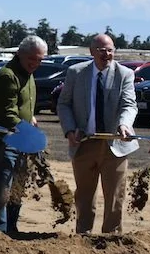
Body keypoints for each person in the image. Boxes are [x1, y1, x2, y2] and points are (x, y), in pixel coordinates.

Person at [57, 34, 138, 234]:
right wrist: (69, 130)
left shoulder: (125, 74)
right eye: (102, 50)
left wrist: (124, 125)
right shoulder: (76, 73)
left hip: (115, 144)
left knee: (115, 197)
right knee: (84, 196)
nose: (106, 54)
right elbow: (64, 104)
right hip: (84, 142)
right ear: (92, 52)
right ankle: (83, 238)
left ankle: (110, 241)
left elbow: (129, 105)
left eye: (110, 50)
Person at [0, 35, 47, 236]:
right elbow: (7, 113)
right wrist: (29, 132)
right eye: (32, 58)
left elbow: (23, 107)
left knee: (17, 186)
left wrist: (32, 119)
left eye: (40, 60)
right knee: (2, 186)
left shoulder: (28, 75)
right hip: (3, 140)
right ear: (20, 53)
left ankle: (12, 228)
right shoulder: (7, 76)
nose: (35, 63)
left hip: (21, 138)